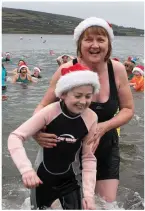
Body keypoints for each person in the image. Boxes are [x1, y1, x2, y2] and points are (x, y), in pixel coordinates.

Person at [33, 17, 134, 209]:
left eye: (100, 39)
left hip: (104, 145)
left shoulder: (117, 69)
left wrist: (104, 127)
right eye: (88, 40)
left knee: (107, 204)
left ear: (108, 44)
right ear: (79, 43)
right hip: (67, 145)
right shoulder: (66, 70)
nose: (95, 45)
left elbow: (128, 109)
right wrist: (37, 131)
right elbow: (42, 106)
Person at [8, 63, 101, 210]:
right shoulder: (49, 112)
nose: (83, 101)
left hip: (70, 179)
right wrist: (26, 170)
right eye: (77, 95)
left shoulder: (91, 118)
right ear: (63, 94)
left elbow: (88, 157)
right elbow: (15, 137)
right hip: (43, 179)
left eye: (88, 96)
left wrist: (88, 195)